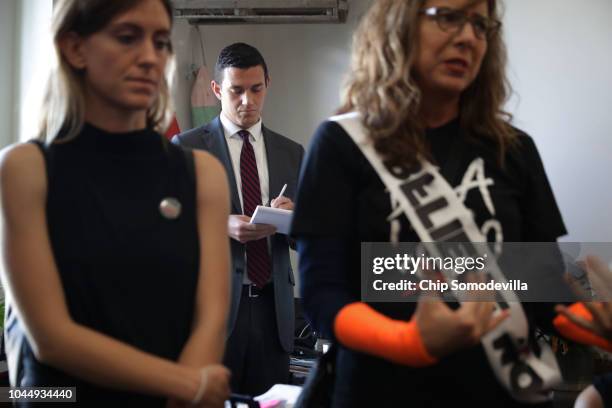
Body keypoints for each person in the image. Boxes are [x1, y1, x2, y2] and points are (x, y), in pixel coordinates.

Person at [291, 0, 570, 407]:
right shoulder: (341, 145)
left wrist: (589, 321)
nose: (468, 37)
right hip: (381, 393)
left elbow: (542, 286)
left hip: (499, 390)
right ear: (398, 25)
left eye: (480, 25)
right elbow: (323, 295)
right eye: (450, 17)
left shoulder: (515, 150)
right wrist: (411, 343)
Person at [0, 0, 231, 406]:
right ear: (75, 48)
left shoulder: (202, 174)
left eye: (160, 43)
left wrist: (184, 392)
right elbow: (51, 337)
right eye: (127, 37)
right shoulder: (25, 169)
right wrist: (186, 385)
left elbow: (210, 316)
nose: (149, 57)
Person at [172, 43, 304, 396]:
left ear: (267, 84)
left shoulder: (291, 152)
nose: (248, 101)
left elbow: (306, 238)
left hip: (274, 311)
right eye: (236, 90)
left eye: (256, 89)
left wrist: (294, 219)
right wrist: (220, 225)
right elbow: (167, 232)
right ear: (217, 90)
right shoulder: (185, 148)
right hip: (210, 314)